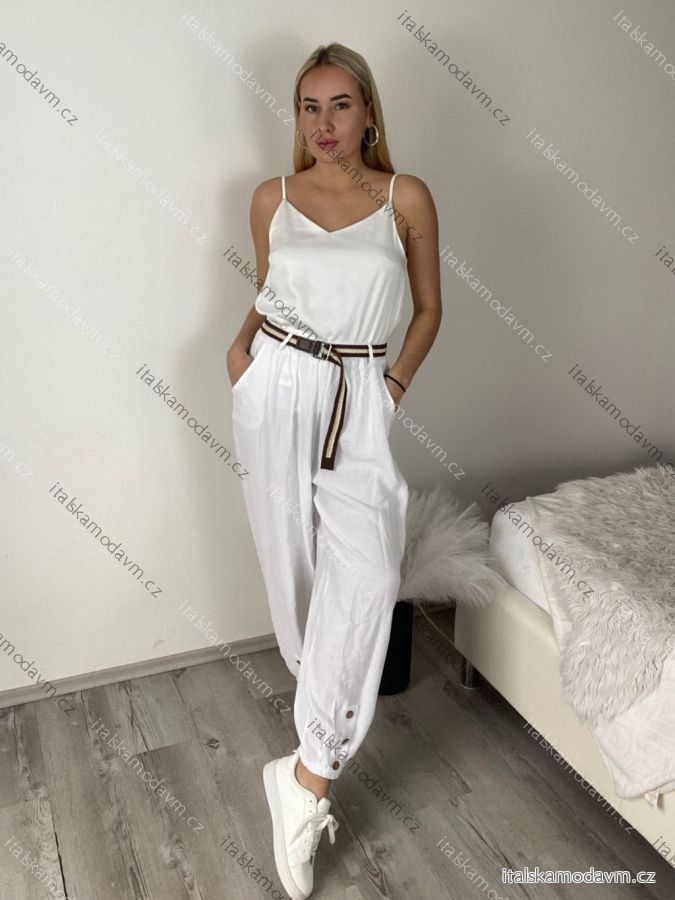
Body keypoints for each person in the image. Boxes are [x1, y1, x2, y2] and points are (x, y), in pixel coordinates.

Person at [227, 41, 442, 900]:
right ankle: (310, 751)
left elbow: (428, 308)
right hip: (275, 384)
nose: (323, 123)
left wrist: (390, 386)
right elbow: (268, 287)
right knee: (294, 579)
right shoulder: (271, 198)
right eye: (309, 107)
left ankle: (306, 778)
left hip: (358, 389)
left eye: (340, 105)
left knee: (369, 567)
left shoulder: (404, 196)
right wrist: (241, 356)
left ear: (368, 113)